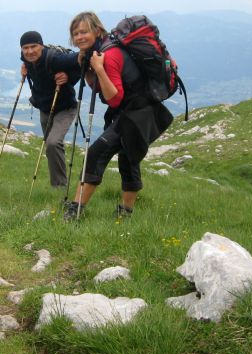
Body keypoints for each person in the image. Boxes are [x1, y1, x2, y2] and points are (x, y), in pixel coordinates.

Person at [63, 12, 173, 221]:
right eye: (75, 33)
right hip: (132, 110)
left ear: (97, 30)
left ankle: (75, 211)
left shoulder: (110, 54)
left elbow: (113, 97)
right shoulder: (98, 51)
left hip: (139, 111)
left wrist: (99, 70)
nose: (79, 37)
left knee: (96, 154)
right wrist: (88, 69)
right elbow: (97, 87)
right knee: (128, 157)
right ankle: (125, 214)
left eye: (84, 32)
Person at [20, 31, 80, 188]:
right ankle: (58, 184)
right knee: (51, 146)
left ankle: (59, 187)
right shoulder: (27, 60)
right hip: (45, 108)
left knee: (53, 143)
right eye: (25, 48)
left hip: (65, 107)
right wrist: (25, 70)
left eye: (34, 46)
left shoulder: (54, 59)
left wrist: (69, 77)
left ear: (41, 45)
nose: (30, 51)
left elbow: (80, 61)